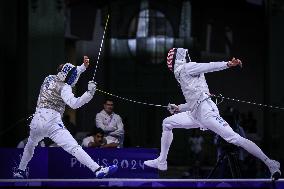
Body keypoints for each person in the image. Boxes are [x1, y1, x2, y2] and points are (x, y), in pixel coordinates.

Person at [144, 48, 281, 179]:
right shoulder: (183, 75)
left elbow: (209, 66)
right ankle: (162, 161)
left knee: (234, 138)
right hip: (196, 113)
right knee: (167, 123)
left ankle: (271, 163)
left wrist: (227, 64)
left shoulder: (187, 67)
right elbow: (194, 101)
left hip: (206, 112)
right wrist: (179, 107)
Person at [13, 56, 118, 179]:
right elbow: (74, 103)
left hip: (37, 120)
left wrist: (82, 67)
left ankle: (20, 171)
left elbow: (70, 73)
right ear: (66, 76)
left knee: (30, 144)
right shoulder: (65, 87)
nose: (73, 77)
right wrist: (89, 93)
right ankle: (98, 170)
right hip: (52, 121)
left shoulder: (48, 78)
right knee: (73, 147)